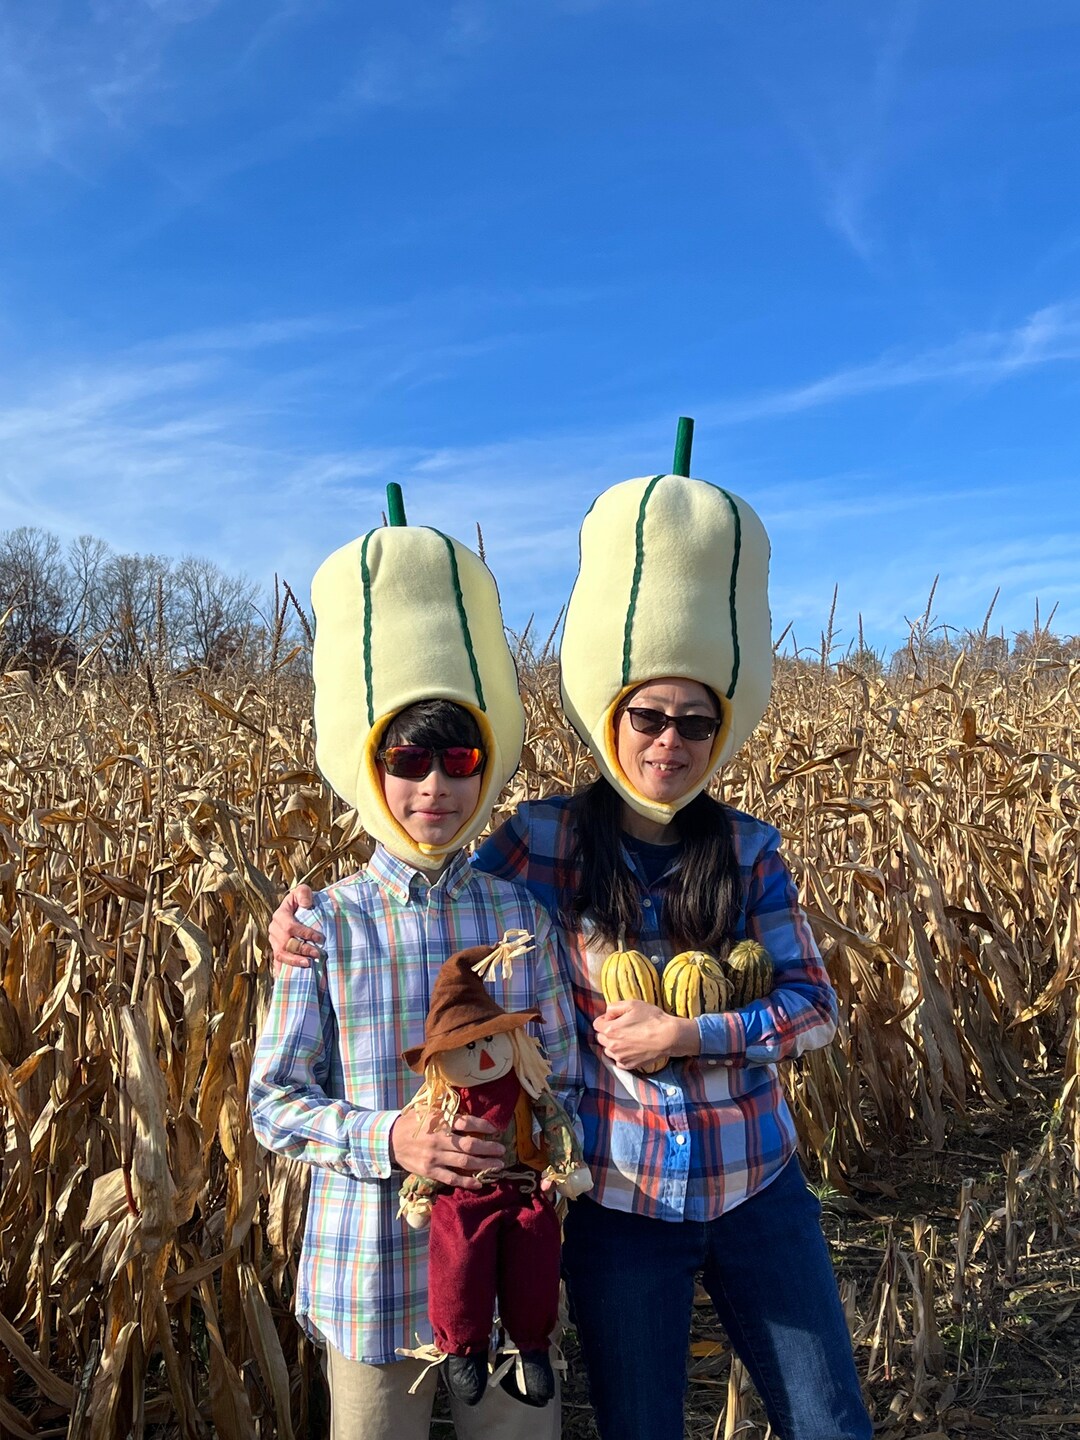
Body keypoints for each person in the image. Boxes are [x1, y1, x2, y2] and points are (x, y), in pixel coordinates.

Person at [271, 471, 872, 1440]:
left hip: (756, 1184)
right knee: (640, 1427)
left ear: (721, 730)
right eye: (648, 717)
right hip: (623, 1204)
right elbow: (432, 864)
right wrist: (301, 921)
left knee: (830, 1421)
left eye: (695, 722)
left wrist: (691, 1031)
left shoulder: (750, 848)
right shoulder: (540, 847)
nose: (669, 742)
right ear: (613, 715)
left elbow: (815, 1007)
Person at [251, 520, 581, 1440]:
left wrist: (556, 1160)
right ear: (373, 766)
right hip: (372, 1271)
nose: (433, 786)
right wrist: (391, 1137)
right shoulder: (324, 923)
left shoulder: (520, 920)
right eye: (407, 761)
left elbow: (572, 1077)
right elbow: (274, 1101)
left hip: (510, 1280)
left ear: (485, 769)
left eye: (459, 761)